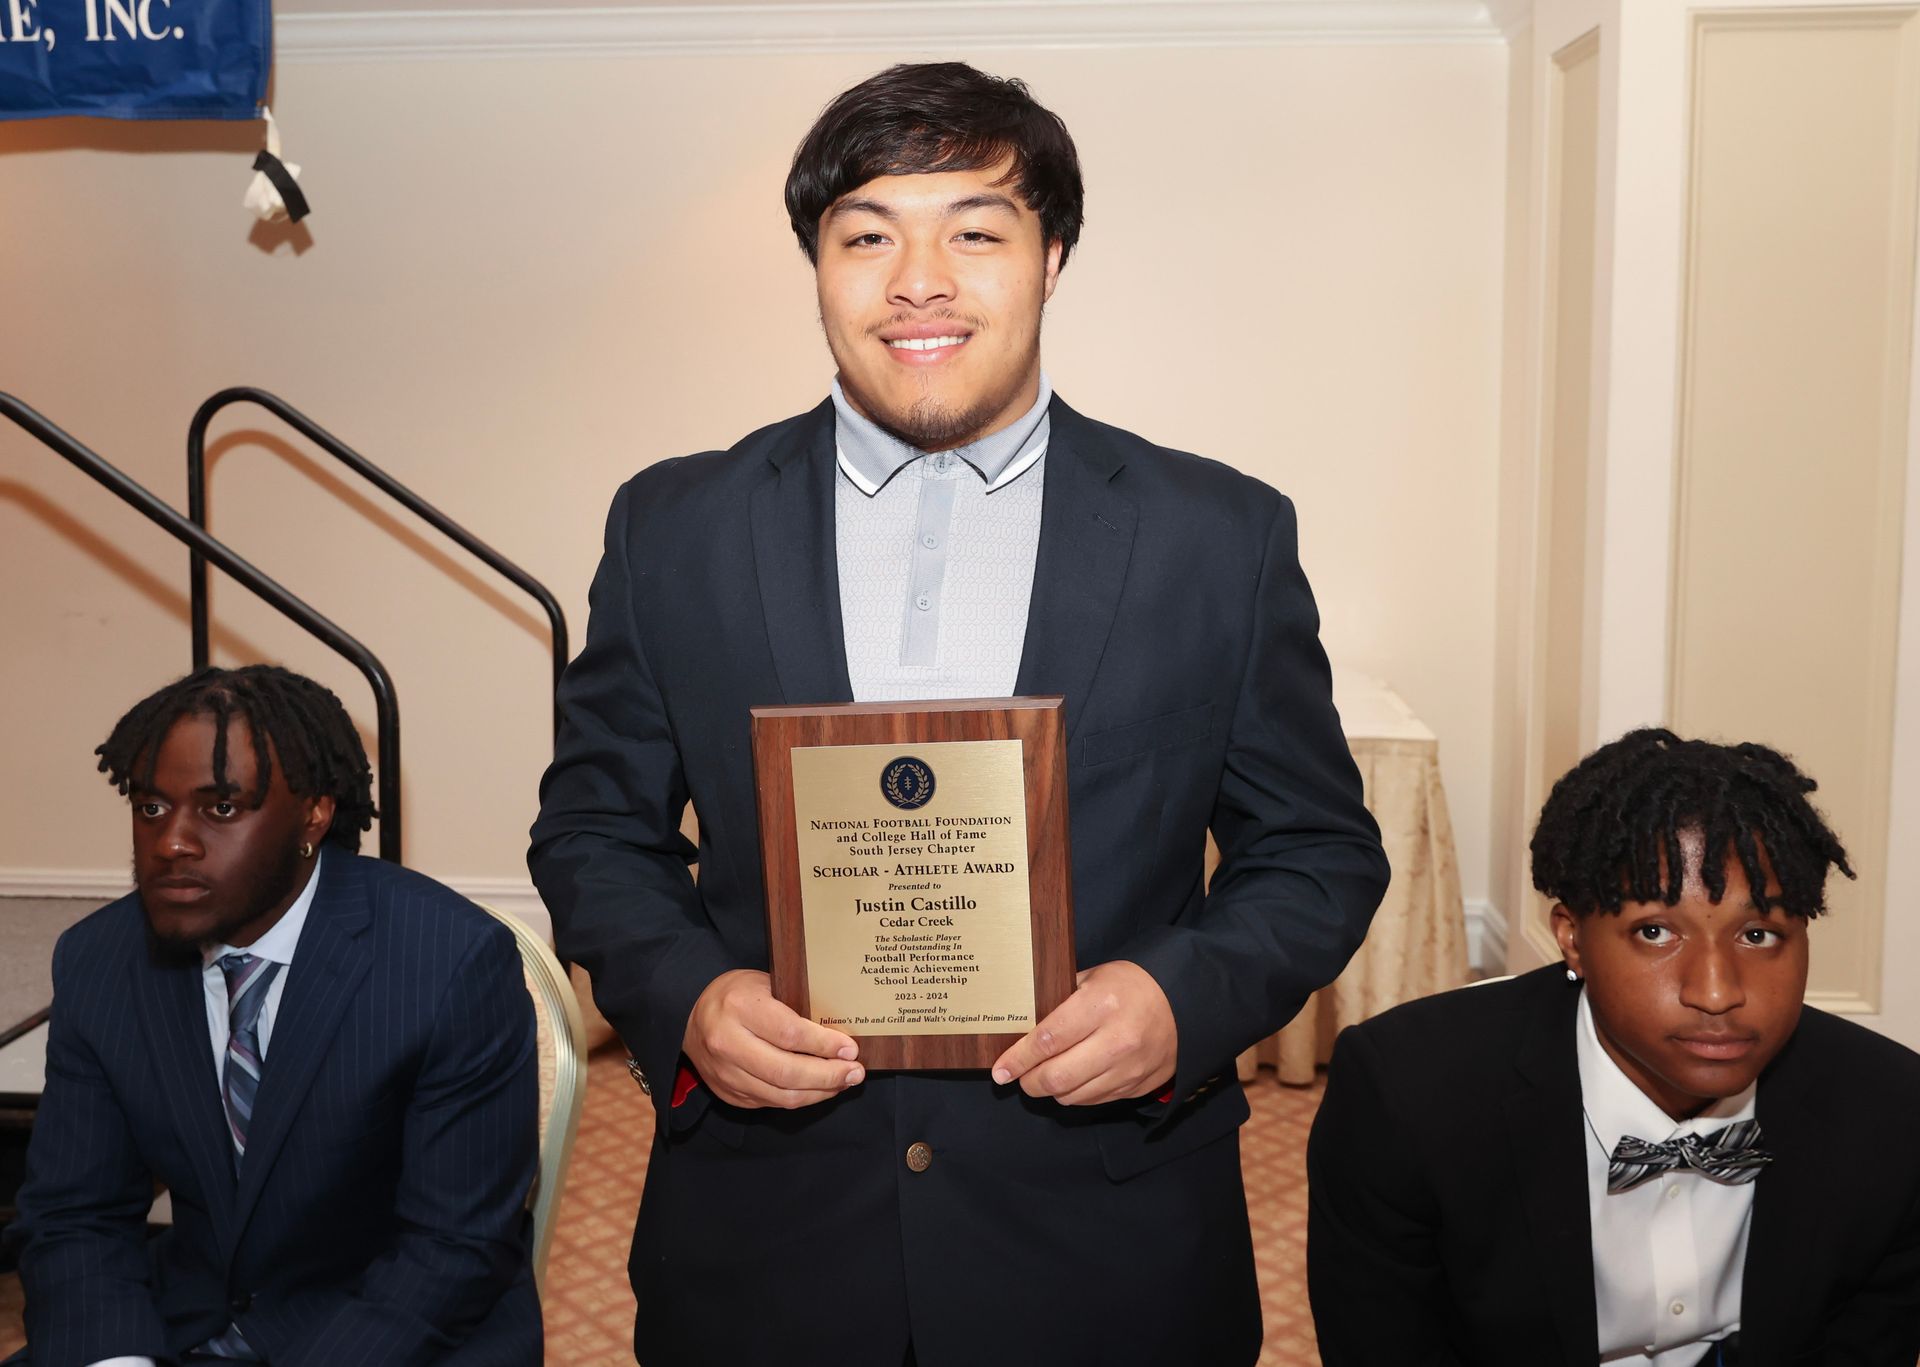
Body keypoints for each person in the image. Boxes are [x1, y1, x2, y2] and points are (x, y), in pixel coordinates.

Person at [529, 61, 1388, 1367]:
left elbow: (1319, 850)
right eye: (866, 234)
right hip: (771, 1231)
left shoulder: (1217, 534)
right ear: (816, 264)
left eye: (975, 232)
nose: (917, 278)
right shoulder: (676, 526)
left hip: (1106, 1237)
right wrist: (693, 995)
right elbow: (595, 830)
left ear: (1052, 259)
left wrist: (1179, 998)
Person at [1308, 729, 1920, 1365]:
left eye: (1759, 934)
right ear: (1572, 939)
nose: (1715, 993)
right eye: (1655, 932)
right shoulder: (1408, 1098)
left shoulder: (1894, 1113)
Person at [6, 665, 542, 1366]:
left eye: (221, 808)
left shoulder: (447, 962)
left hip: (394, 1335)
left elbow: (452, 1250)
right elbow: (76, 1215)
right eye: (151, 807)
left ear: (315, 814)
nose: (172, 841)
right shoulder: (101, 961)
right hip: (181, 1327)